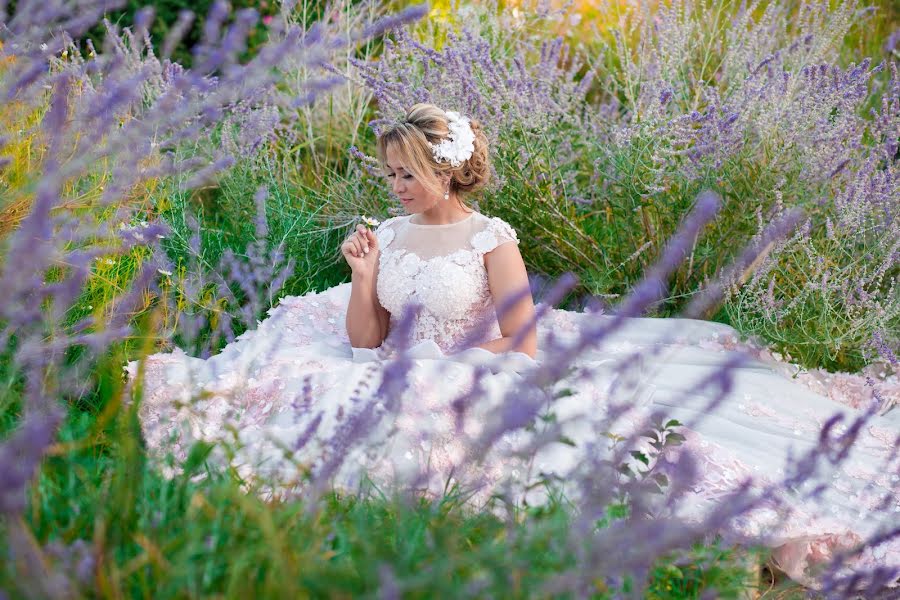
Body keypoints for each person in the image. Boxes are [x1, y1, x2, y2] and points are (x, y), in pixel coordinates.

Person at [129, 103, 900, 589]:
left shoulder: (491, 237)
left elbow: (523, 341)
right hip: (400, 361)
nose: (395, 184)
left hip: (483, 362)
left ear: (447, 168)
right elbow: (365, 346)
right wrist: (363, 278)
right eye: (390, 172)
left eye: (408, 172)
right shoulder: (387, 236)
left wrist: (442, 365)